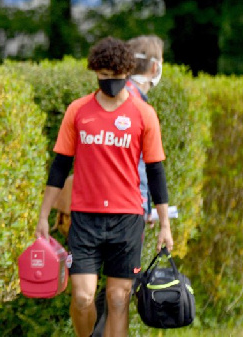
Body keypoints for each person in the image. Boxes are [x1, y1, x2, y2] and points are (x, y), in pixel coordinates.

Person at [35, 36, 173, 337]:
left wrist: (164, 224)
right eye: (103, 76)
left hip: (128, 218)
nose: (110, 82)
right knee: (83, 297)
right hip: (85, 217)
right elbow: (59, 167)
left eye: (116, 76)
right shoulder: (78, 111)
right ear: (96, 72)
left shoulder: (144, 114)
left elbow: (156, 171)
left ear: (127, 72)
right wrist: (44, 214)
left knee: (118, 298)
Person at [91, 34, 166, 337]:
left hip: (112, 208)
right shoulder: (132, 101)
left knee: (116, 286)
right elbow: (136, 164)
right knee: (120, 286)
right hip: (125, 211)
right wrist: (145, 205)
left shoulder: (123, 97)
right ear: (154, 67)